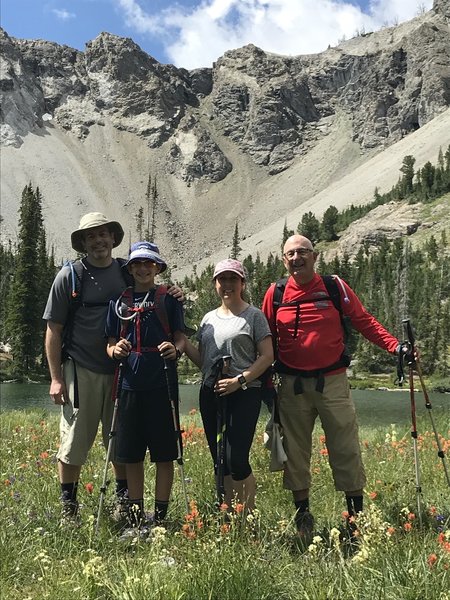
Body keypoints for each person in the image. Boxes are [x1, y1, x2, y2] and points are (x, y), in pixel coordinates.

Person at [43, 213, 182, 523]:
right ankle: (70, 507)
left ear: (112, 238)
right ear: (82, 243)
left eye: (103, 235)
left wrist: (172, 291)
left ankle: (124, 504)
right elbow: (53, 328)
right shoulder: (70, 276)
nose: (98, 241)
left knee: (120, 438)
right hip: (82, 368)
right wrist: (55, 378)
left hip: (124, 371)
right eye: (90, 237)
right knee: (75, 438)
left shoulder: (125, 269)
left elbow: (151, 288)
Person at [261, 234, 401, 540]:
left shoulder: (335, 287)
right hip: (291, 383)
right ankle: (303, 517)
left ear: (314, 256)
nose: (296, 258)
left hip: (333, 381)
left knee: (345, 447)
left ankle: (355, 519)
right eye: (290, 254)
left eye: (302, 252)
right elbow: (265, 337)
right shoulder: (276, 293)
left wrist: (395, 348)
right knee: (295, 452)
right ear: (284, 261)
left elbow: (364, 321)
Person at [105, 241, 186, 534]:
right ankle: (137, 516)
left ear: (157, 268)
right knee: (132, 454)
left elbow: (180, 338)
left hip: (162, 384)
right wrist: (115, 352)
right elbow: (110, 343)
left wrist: (174, 350)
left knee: (165, 454)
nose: (142, 268)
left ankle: (160, 518)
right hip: (128, 385)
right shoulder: (119, 301)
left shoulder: (169, 299)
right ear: (130, 269)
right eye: (137, 264)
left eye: (148, 264)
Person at [185, 259, 273, 513]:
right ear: (215, 284)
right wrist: (182, 342)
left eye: (233, 279)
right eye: (222, 279)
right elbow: (204, 361)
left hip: (245, 391)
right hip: (212, 392)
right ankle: (226, 514)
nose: (227, 285)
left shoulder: (254, 316)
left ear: (242, 283)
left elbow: (267, 356)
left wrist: (240, 380)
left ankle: (246, 514)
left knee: (237, 459)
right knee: (219, 459)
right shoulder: (208, 319)